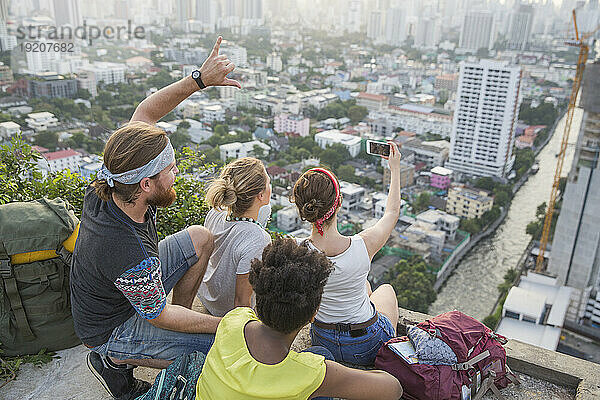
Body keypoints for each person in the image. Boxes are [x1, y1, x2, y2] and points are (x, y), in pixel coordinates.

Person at [71, 36, 241, 400]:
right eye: (171, 169)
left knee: (200, 238)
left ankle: (180, 328)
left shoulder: (112, 178)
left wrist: (198, 80)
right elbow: (158, 314)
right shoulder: (123, 246)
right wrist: (227, 324)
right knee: (217, 345)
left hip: (122, 290)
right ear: (147, 183)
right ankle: (112, 361)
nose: (177, 174)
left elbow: (145, 113)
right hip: (111, 327)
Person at [195, 238, 403, 400]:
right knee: (321, 357)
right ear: (313, 315)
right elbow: (394, 389)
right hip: (313, 373)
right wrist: (335, 376)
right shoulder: (309, 374)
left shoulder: (234, 320)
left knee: (320, 353)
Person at [290, 141, 402, 366]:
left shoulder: (296, 250)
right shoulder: (363, 245)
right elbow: (391, 212)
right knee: (386, 290)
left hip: (323, 339)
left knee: (365, 287)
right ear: (339, 203)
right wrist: (395, 168)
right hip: (367, 343)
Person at [196, 157, 272, 316]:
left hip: (208, 297)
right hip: (226, 311)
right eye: (268, 184)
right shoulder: (258, 238)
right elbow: (241, 302)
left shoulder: (215, 213)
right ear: (261, 195)